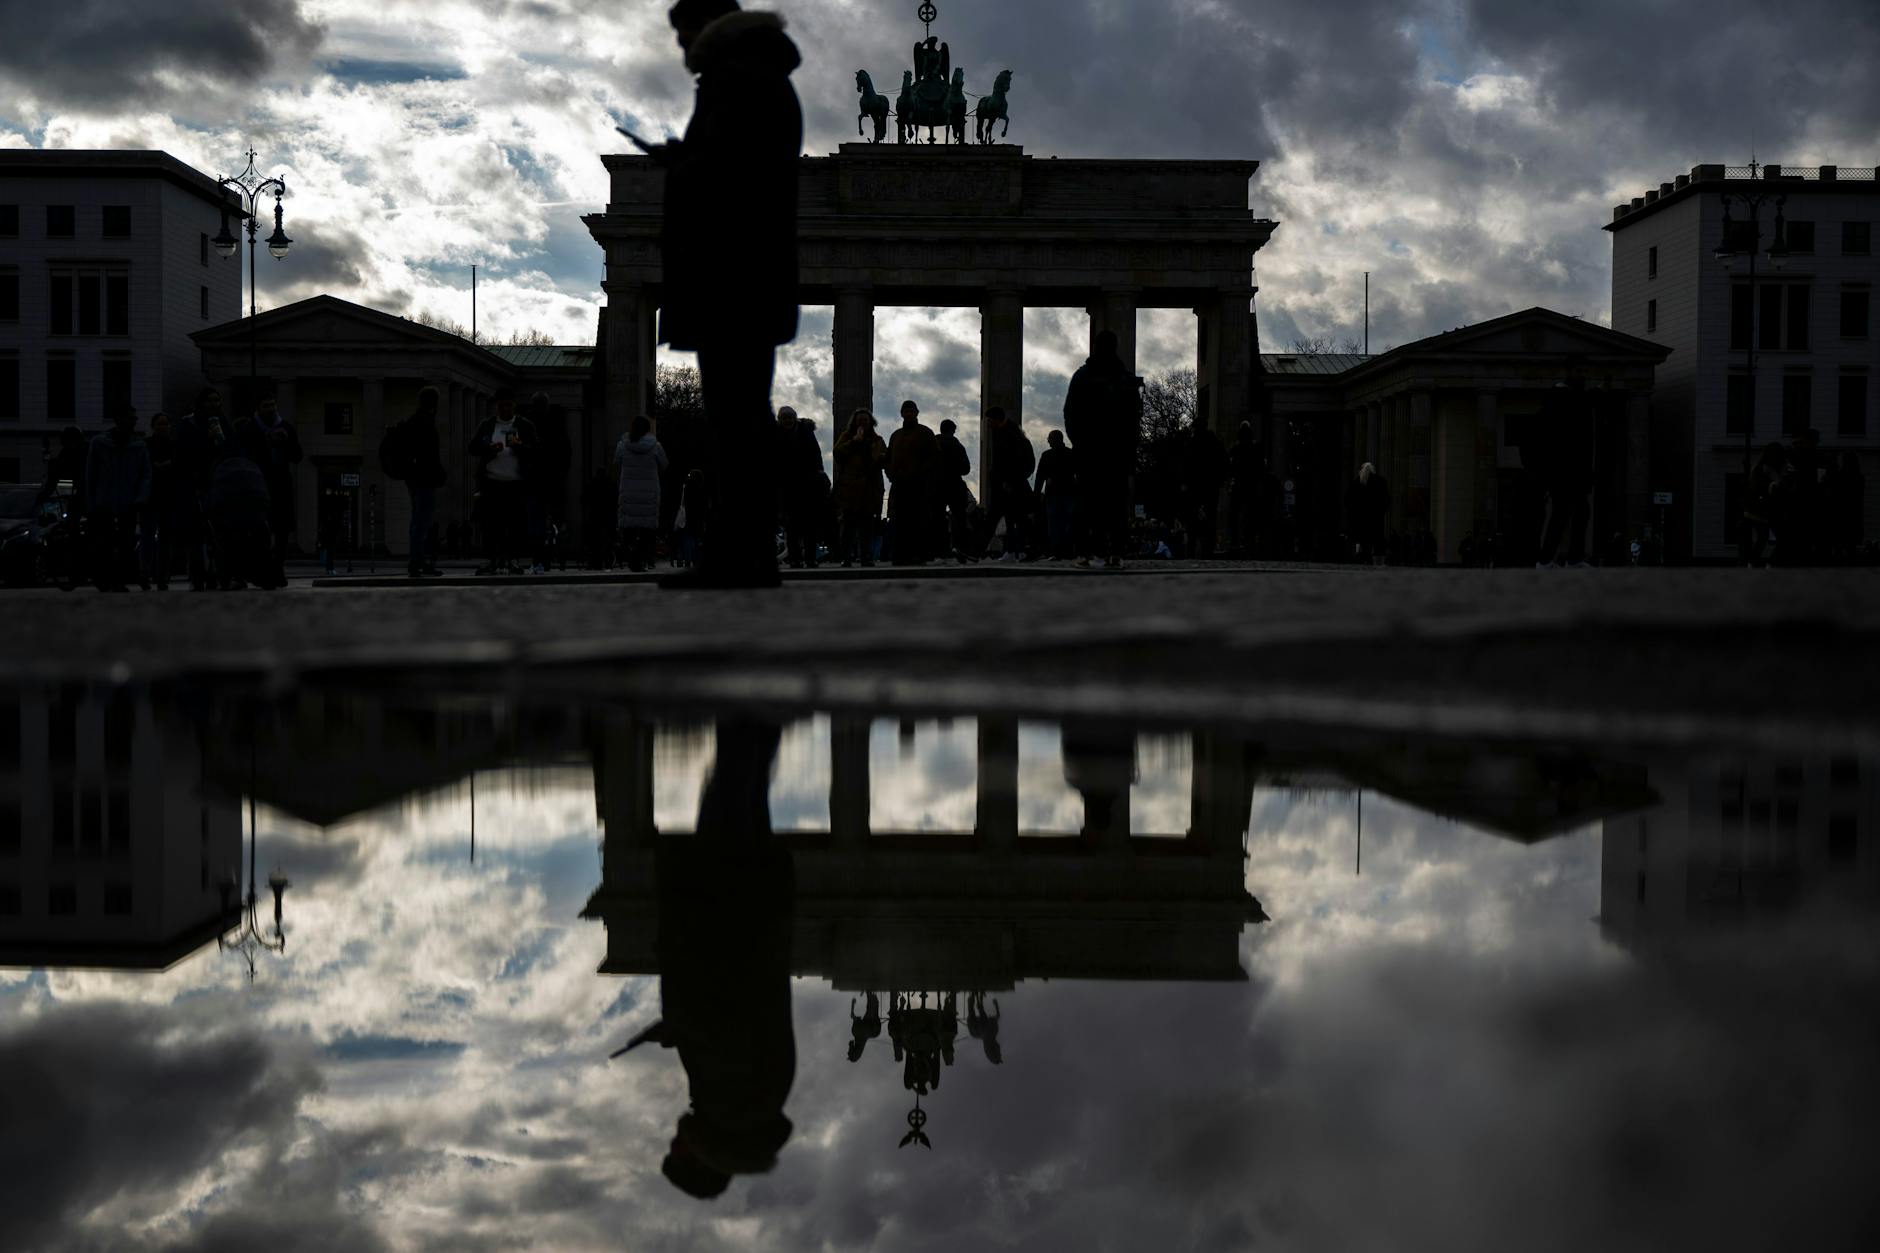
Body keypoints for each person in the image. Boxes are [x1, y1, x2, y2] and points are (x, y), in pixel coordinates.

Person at [611, 718, 796, 1200]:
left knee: (745, 790)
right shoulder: (727, 1103)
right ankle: (746, 698)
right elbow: (724, 1010)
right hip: (726, 903)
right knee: (731, 790)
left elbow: (738, 1019)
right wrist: (677, 1025)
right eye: (676, 1153)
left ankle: (765, 712)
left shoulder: (756, 1106)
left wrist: (681, 1028)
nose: (673, 1142)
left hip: (752, 908)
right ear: (700, 1159)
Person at [655, 0, 803, 590]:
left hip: (731, 274)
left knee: (734, 420)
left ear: (706, 24)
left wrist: (682, 165)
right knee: (745, 416)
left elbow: (728, 177)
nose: (678, 44)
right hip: (754, 273)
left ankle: (736, 555)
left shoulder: (734, 77)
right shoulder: (764, 74)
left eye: (682, 30)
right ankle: (749, 553)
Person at [1063, 330, 1140, 568]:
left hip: (1090, 450)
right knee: (1116, 503)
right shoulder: (1126, 380)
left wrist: (1078, 442)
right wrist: (1130, 448)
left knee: (1087, 502)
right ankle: (1115, 552)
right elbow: (1135, 418)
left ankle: (1084, 552)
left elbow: (1070, 413)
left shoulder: (1082, 376)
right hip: (1117, 451)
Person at [468, 390, 538, 574]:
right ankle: (492, 559)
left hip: (515, 482)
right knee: (491, 524)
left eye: (509, 405)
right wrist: (488, 447)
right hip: (491, 481)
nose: (505, 409)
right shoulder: (488, 425)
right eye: (501, 406)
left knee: (515, 523)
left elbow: (536, 449)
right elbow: (472, 447)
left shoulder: (524, 425)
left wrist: (519, 447)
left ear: (514, 406)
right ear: (496, 406)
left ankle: (513, 559)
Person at [84, 407, 151, 592]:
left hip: (128, 501)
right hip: (104, 501)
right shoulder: (99, 443)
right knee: (105, 542)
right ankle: (105, 578)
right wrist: (91, 502)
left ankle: (117, 579)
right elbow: (91, 474)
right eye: (130, 418)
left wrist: (141, 497)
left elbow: (146, 474)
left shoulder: (138, 445)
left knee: (125, 543)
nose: (133, 422)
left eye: (134, 419)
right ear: (118, 420)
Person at [388, 386, 447, 578]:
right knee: (422, 521)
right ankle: (417, 561)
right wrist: (439, 473)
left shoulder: (412, 421)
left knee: (417, 520)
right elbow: (430, 455)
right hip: (424, 478)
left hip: (413, 478)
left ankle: (419, 560)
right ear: (434, 403)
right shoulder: (425, 423)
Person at [173, 389, 228, 589]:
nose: (215, 405)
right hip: (194, 483)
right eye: (210, 401)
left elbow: (230, 447)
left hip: (216, 481)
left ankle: (214, 572)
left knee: (216, 533)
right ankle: (198, 574)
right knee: (196, 534)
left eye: (217, 400)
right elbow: (182, 454)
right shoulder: (190, 424)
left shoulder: (222, 422)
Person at [242, 396, 303, 576]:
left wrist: (286, 442)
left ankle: (278, 566)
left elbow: (297, 456)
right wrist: (267, 440)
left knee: (281, 529)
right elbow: (246, 453)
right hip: (258, 484)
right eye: (266, 405)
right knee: (259, 527)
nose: (271, 409)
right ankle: (263, 566)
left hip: (280, 484)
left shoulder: (285, 427)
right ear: (259, 409)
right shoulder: (251, 428)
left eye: (273, 404)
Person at [832, 408, 887, 567]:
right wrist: (854, 441)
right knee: (848, 527)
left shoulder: (878, 440)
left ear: (871, 422)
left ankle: (866, 557)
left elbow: (883, 460)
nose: (862, 422)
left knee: (867, 528)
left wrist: (881, 457)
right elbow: (837, 453)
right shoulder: (847, 437)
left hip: (870, 489)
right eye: (859, 420)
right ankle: (847, 557)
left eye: (865, 420)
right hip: (850, 489)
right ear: (854, 422)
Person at [886, 399, 938, 564]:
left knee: (918, 520)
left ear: (916, 413)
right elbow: (888, 458)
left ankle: (919, 554)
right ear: (902, 413)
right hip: (899, 484)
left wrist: (921, 473)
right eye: (905, 411)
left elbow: (934, 457)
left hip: (918, 485)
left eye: (911, 411)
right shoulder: (895, 435)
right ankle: (901, 555)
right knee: (899, 521)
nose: (908, 414)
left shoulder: (925, 433)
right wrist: (891, 474)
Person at [616, 415, 670, 571]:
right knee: (647, 531)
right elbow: (664, 465)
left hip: (629, 493)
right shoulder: (656, 447)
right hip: (649, 493)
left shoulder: (622, 446)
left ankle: (632, 556)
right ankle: (641, 557)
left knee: (629, 530)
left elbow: (616, 463)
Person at [980, 406, 1034, 561]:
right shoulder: (1011, 433)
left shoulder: (1007, 435)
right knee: (1015, 519)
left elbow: (1010, 461)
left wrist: (1008, 481)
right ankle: (1018, 550)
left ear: (997, 419)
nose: (988, 424)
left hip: (1007, 485)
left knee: (1005, 518)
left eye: (990, 421)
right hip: (1008, 484)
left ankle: (981, 551)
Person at [776, 406, 823, 568]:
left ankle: (810, 558)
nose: (787, 421)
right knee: (792, 526)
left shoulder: (806, 432)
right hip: (787, 485)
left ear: (794, 418)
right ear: (779, 420)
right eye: (784, 418)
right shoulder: (775, 435)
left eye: (789, 418)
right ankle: (795, 558)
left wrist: (818, 473)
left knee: (809, 524)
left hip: (806, 483)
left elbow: (816, 454)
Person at [142, 413, 179, 589]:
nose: (163, 427)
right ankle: (153, 575)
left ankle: (157, 575)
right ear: (153, 426)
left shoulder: (149, 445)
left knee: (158, 538)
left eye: (165, 424)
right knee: (155, 538)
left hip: (163, 496)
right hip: (157, 496)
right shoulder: (172, 445)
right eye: (160, 424)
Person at [1181, 422, 1228, 557]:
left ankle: (1191, 548)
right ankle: (1208, 549)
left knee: (1192, 519)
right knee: (1210, 518)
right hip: (1211, 487)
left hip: (1194, 487)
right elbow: (1224, 464)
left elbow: (1185, 464)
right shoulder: (1216, 444)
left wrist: (1185, 483)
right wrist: (1219, 481)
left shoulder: (1192, 444)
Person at [1034, 429, 1077, 559]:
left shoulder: (1047, 455)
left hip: (1057, 494)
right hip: (1066, 493)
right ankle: (1066, 550)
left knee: (1055, 524)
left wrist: (1036, 493)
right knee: (1063, 523)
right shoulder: (1070, 454)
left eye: (1050, 439)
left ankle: (1058, 551)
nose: (1048, 441)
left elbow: (1040, 476)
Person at [1743, 442, 1787, 567]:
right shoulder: (1764, 469)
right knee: (1766, 537)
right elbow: (1758, 487)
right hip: (1762, 510)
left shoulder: (1762, 468)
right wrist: (1772, 486)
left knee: (1765, 538)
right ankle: (1760, 562)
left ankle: (1755, 562)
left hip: (1764, 509)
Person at [935, 417, 973, 559]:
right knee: (959, 519)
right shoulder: (958, 446)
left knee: (938, 518)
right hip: (955, 485)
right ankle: (959, 548)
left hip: (937, 485)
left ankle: (940, 550)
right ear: (953, 431)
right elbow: (966, 469)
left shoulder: (934, 444)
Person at [1348, 461, 1390, 565]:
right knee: (1377, 539)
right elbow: (1386, 499)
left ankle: (1365, 558)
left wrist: (1354, 514)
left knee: (1364, 539)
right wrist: (1382, 511)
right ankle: (1378, 561)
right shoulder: (1380, 481)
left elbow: (1350, 500)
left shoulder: (1358, 481)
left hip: (1362, 517)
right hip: (1376, 516)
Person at [39, 425, 88, 506]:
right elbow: (57, 471)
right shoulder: (68, 452)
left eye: (64, 441)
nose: (62, 444)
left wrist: (46, 493)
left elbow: (57, 472)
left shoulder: (71, 453)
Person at [675, 468, 708, 566]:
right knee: (695, 539)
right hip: (697, 517)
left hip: (686, 516)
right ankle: (694, 559)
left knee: (686, 538)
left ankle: (687, 559)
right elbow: (704, 505)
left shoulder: (686, 487)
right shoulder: (701, 489)